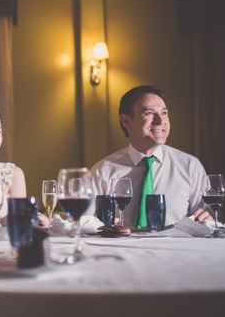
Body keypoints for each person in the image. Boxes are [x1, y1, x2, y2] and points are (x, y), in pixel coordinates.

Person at [90, 85, 210, 228]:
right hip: (121, 249)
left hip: (177, 249)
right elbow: (87, 223)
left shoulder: (190, 165)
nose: (160, 120)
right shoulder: (103, 171)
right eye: (149, 113)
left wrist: (207, 219)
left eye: (164, 113)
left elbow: (207, 218)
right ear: (126, 121)